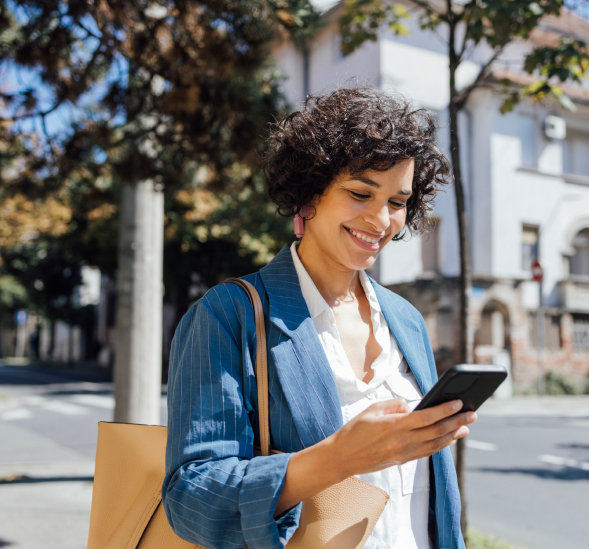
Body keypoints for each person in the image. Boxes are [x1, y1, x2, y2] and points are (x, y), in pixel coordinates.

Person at [162, 88, 476, 549]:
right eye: (360, 192)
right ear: (309, 194)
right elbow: (191, 497)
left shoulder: (406, 319)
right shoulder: (228, 315)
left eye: (396, 201)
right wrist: (337, 458)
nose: (381, 219)